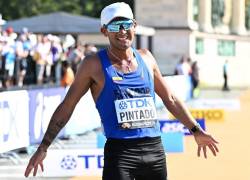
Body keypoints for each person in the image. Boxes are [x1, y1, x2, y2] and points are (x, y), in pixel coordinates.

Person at [24, 2, 219, 180]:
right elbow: (67, 106)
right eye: (115, 26)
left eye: (126, 24)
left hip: (155, 151)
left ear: (134, 25)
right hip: (120, 154)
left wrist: (196, 130)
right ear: (104, 31)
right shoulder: (93, 64)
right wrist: (44, 147)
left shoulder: (147, 58)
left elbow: (170, 98)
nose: (122, 31)